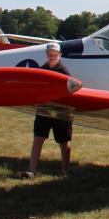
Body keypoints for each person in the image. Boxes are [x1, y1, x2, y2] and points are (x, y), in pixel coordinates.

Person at [21, 42, 73, 178]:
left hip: (61, 113)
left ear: (59, 55)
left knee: (64, 142)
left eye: (55, 54)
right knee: (38, 139)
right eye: (50, 54)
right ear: (47, 55)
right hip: (43, 111)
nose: (52, 56)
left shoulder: (64, 71)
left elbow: (70, 91)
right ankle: (32, 170)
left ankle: (65, 171)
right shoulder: (42, 69)